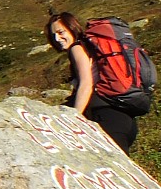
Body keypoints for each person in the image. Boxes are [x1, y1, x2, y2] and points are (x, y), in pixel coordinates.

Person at [45, 12, 139, 153]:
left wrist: (73, 118)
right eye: (53, 35)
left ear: (72, 28)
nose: (57, 38)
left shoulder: (76, 48)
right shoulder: (90, 46)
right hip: (124, 119)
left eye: (60, 32)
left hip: (107, 118)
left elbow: (86, 84)